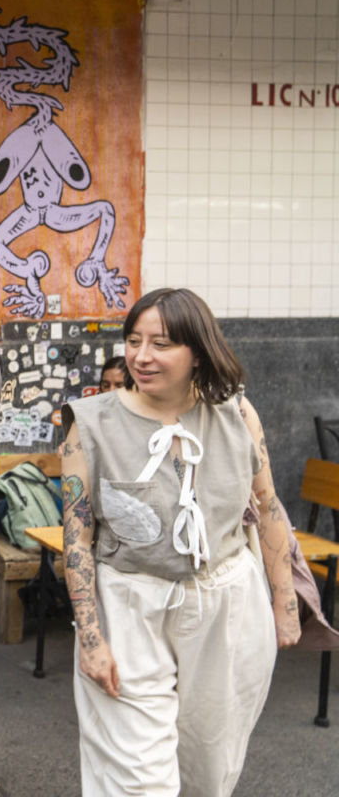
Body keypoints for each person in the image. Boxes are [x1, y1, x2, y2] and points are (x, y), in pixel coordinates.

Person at [59, 287, 300, 796]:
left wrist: (285, 602)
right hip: (130, 607)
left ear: (198, 352)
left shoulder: (236, 415)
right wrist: (92, 639)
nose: (141, 357)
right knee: (137, 779)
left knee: (209, 768)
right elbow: (77, 538)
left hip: (226, 605)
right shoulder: (90, 423)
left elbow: (270, 507)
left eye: (161, 343)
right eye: (133, 340)